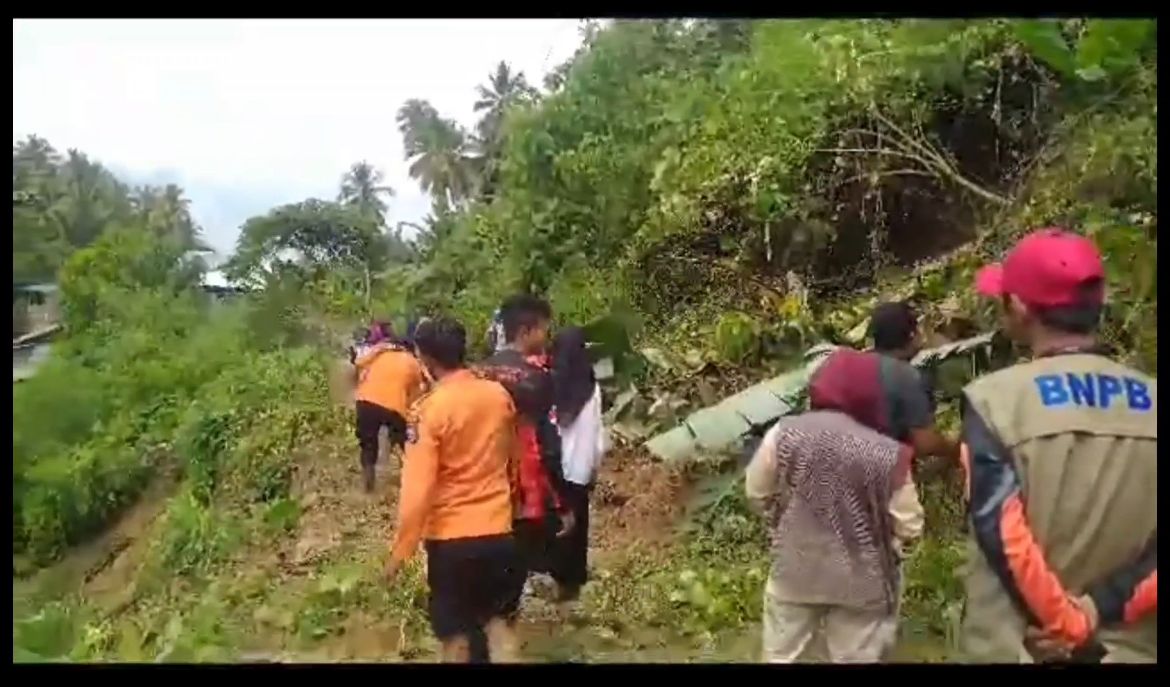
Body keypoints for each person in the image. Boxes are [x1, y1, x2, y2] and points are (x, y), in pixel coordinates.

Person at [959, 228, 1156, 663]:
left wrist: (1065, 623)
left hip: (1021, 646)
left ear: (1019, 308)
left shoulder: (995, 402)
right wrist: (1096, 608)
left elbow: (1003, 533)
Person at [745, 356, 923, 663]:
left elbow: (757, 491)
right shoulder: (887, 453)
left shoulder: (784, 433)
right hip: (863, 579)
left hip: (795, 568)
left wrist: (779, 523)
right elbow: (910, 524)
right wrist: (891, 548)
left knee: (780, 656)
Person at [383, 316, 525, 663]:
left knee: (457, 639)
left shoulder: (429, 411)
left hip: (452, 542)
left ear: (425, 358)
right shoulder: (498, 395)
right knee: (498, 629)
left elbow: (418, 489)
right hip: (500, 533)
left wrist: (401, 550)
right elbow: (514, 462)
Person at [476, 295, 575, 586]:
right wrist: (563, 501)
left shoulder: (478, 373)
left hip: (485, 486)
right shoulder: (537, 378)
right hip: (528, 489)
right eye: (543, 329)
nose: (546, 337)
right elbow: (547, 443)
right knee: (535, 559)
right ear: (525, 331)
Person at [549, 326, 606, 602]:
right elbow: (596, 432)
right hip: (580, 469)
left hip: (553, 466)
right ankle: (572, 583)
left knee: (554, 523)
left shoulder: (548, 383)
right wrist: (595, 465)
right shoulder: (591, 388)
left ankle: (551, 576)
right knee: (578, 525)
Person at [353, 321, 426, 492]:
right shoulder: (413, 363)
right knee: (405, 442)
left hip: (365, 401)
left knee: (368, 443)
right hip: (394, 406)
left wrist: (380, 348)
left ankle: (368, 480)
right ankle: (413, 475)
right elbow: (416, 397)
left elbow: (358, 363)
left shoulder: (380, 354)